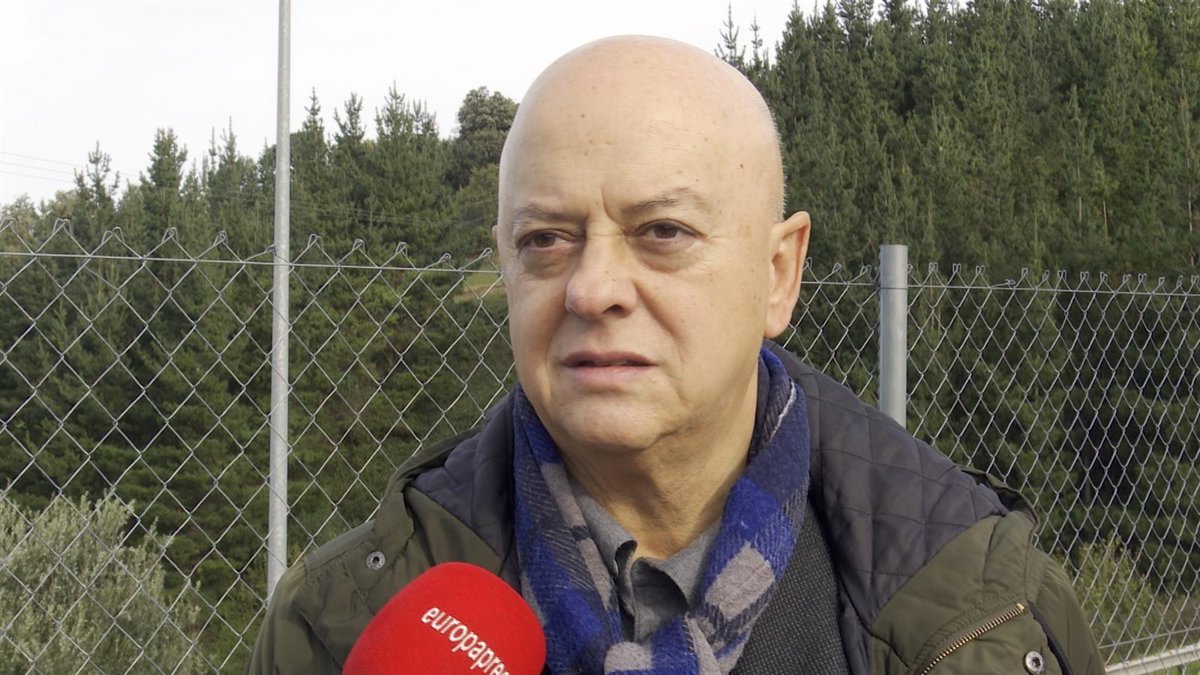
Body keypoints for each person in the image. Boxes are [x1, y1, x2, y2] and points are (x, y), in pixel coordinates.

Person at [248, 36, 1103, 674]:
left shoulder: (990, 614)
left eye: (662, 231)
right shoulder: (340, 624)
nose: (592, 289)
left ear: (778, 274)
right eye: (546, 239)